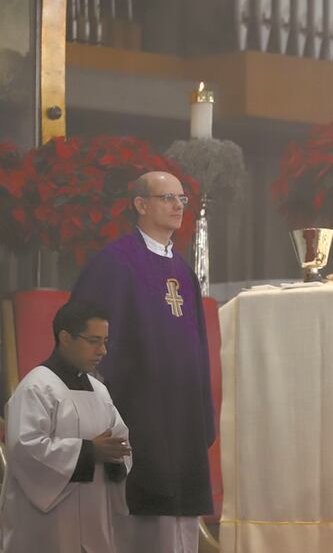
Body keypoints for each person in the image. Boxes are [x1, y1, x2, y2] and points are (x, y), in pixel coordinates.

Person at [69, 171, 215, 553]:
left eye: (182, 199)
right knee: (144, 512)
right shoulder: (115, 263)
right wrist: (100, 407)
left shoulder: (183, 270)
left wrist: (202, 408)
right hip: (138, 409)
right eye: (168, 198)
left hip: (182, 414)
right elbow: (86, 341)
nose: (178, 206)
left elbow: (198, 344)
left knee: (180, 513)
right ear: (140, 205)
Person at [0, 300, 132, 553]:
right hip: (47, 525)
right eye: (93, 341)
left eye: (105, 341)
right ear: (65, 338)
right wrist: (90, 453)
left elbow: (121, 441)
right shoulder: (36, 388)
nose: (103, 350)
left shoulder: (100, 392)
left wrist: (116, 456)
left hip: (95, 519)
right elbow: (24, 449)